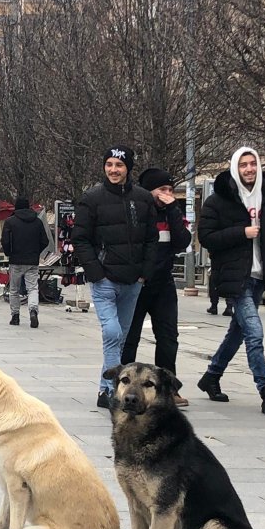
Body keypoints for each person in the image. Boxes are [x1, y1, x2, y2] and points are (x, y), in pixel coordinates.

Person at [197, 147, 265, 416]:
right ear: (234, 169)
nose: (249, 169)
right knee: (254, 332)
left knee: (238, 331)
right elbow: (206, 237)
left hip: (261, 276)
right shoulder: (219, 200)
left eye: (253, 164)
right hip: (234, 277)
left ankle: (212, 376)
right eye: (243, 165)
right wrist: (242, 232)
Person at [72, 145, 158, 409]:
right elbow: (80, 238)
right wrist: (94, 271)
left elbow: (151, 238)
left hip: (132, 280)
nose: (113, 169)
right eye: (109, 164)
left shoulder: (143, 199)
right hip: (104, 279)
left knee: (119, 338)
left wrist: (145, 273)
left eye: (119, 165)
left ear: (128, 168)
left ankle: (102, 389)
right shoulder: (92, 198)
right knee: (111, 332)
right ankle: (112, 391)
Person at [120, 169, 192, 407]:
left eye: (170, 190)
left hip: (163, 284)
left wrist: (172, 209)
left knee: (168, 337)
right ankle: (123, 388)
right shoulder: (137, 212)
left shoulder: (173, 214)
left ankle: (167, 389)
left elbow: (183, 241)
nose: (167, 194)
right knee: (130, 338)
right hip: (138, 282)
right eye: (162, 190)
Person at [1, 197, 50, 327]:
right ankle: (33, 310)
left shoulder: (10, 222)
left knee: (14, 289)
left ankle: (15, 316)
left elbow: (5, 241)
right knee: (32, 288)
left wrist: (9, 253)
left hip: (15, 260)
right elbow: (45, 241)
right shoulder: (37, 222)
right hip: (32, 261)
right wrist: (36, 252)